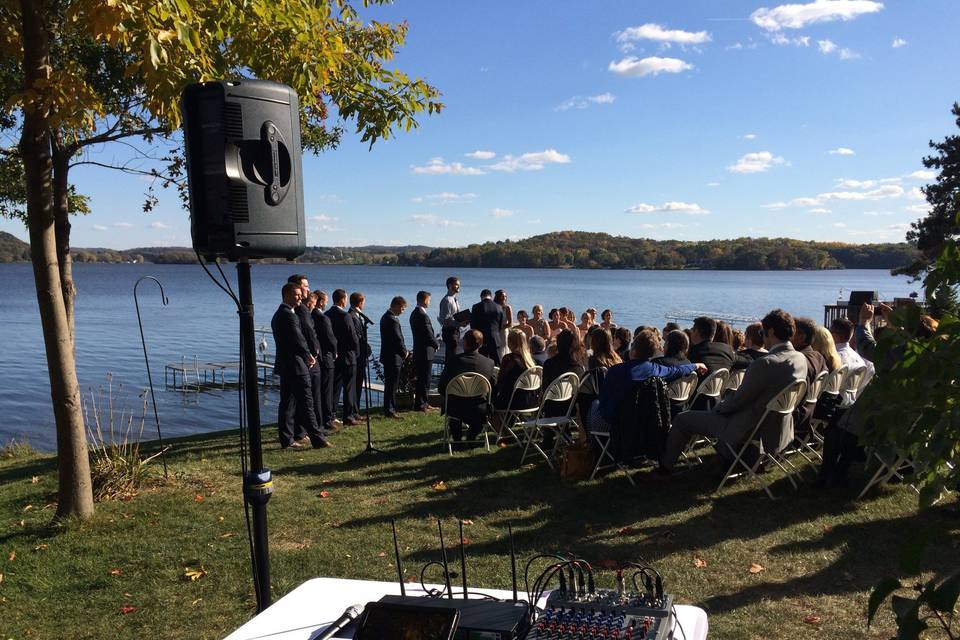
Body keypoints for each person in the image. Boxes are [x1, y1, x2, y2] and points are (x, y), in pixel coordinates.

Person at [659, 309, 808, 474]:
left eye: (762, 332)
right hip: (775, 425)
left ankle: (664, 469)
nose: (762, 335)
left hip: (747, 426)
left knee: (682, 419)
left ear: (771, 332)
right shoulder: (800, 359)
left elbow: (738, 401)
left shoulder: (765, 364)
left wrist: (719, 407)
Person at [590, 330, 705, 433]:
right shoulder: (656, 369)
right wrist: (695, 365)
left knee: (594, 404)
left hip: (616, 424)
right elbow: (676, 370)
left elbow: (604, 400)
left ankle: (592, 446)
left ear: (633, 350)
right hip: (642, 423)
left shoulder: (616, 370)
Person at [271, 283, 331, 449]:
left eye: (300, 294)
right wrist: (309, 356)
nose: (301, 297)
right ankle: (318, 440)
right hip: (296, 365)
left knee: (287, 404)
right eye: (297, 294)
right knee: (307, 403)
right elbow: (298, 339)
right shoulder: (289, 315)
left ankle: (287, 439)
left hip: (285, 365)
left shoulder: (278, 314)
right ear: (287, 295)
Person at [438, 329, 496, 442]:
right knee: (480, 412)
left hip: (456, 408)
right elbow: (493, 387)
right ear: (481, 344)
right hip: (479, 407)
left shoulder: (454, 361)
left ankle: (457, 439)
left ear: (465, 343)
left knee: (454, 408)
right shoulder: (489, 363)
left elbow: (442, 388)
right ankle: (472, 436)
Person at [286, 275, 321, 442]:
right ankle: (300, 432)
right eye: (305, 286)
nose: (308, 289)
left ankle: (298, 432)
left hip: (302, 357)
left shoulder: (299, 309)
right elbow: (307, 333)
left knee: (295, 399)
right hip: (303, 359)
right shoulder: (299, 310)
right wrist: (313, 353)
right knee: (302, 399)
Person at [326, 288, 360, 426]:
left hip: (335, 356)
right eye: (345, 299)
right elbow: (353, 338)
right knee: (349, 388)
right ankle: (348, 416)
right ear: (342, 300)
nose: (346, 301)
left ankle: (332, 414)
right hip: (348, 355)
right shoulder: (346, 316)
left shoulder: (326, 314)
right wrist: (356, 352)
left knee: (335, 387)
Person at [493, 329, 540, 424]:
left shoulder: (509, 359)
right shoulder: (531, 360)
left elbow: (501, 381)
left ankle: (505, 434)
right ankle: (508, 427)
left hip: (513, 402)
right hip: (531, 401)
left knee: (489, 407)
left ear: (509, 342)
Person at [308, 290, 338, 433]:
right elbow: (330, 338)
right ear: (320, 301)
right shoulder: (323, 318)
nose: (326, 303)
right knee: (327, 391)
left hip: (318, 358)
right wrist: (335, 351)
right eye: (325, 300)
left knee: (319, 392)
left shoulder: (310, 316)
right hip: (326, 357)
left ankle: (321, 419)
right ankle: (327, 419)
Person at [378, 296, 408, 419]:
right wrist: (404, 352)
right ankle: (389, 410)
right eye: (402, 308)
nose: (403, 310)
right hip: (393, 357)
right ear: (395, 305)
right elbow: (398, 339)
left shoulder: (385, 317)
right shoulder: (392, 320)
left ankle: (389, 408)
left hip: (388, 356)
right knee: (392, 384)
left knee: (390, 384)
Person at [410, 290, 440, 412]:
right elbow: (428, 334)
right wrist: (436, 344)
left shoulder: (414, 313)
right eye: (429, 300)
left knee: (422, 378)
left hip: (419, 350)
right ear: (424, 300)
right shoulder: (422, 315)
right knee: (425, 379)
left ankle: (422, 402)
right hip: (425, 351)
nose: (429, 302)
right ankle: (422, 404)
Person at [349, 291, 371, 422]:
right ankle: (353, 410)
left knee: (358, 384)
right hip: (356, 356)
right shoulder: (351, 316)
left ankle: (356, 410)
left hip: (361, 356)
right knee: (355, 385)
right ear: (360, 302)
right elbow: (356, 337)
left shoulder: (359, 316)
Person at [470, 289, 505, 365]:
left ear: (481, 296)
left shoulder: (476, 307)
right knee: (497, 363)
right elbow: (501, 324)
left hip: (481, 340)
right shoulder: (499, 307)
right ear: (491, 296)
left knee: (482, 363)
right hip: (496, 339)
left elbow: (473, 325)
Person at [791, 317, 827, 386]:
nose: (789, 335)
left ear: (801, 337)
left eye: (792, 332)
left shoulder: (797, 359)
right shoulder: (819, 357)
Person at [438, 276, 463, 362]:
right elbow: (444, 321)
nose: (459, 286)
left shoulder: (454, 299)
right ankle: (449, 374)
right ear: (449, 285)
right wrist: (460, 323)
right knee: (451, 357)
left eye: (459, 285)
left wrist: (464, 320)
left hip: (455, 331)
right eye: (456, 285)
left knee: (453, 356)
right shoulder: (447, 300)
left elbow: (455, 316)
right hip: (450, 332)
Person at [494, 290, 513, 359]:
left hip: (503, 331)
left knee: (503, 348)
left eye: (505, 296)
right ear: (498, 297)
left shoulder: (507, 307)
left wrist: (500, 328)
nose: (504, 298)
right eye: (502, 296)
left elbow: (510, 323)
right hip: (495, 331)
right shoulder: (494, 307)